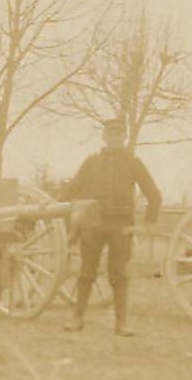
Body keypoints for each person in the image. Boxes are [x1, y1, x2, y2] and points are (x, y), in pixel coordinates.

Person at [63, 118, 162, 336]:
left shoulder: (133, 163)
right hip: (92, 224)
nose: (115, 138)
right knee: (86, 271)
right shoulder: (91, 162)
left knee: (119, 273)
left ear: (124, 137)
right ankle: (77, 319)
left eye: (119, 134)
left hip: (121, 226)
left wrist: (148, 223)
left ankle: (121, 323)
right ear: (104, 137)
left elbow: (154, 195)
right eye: (111, 134)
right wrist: (66, 216)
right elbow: (71, 190)